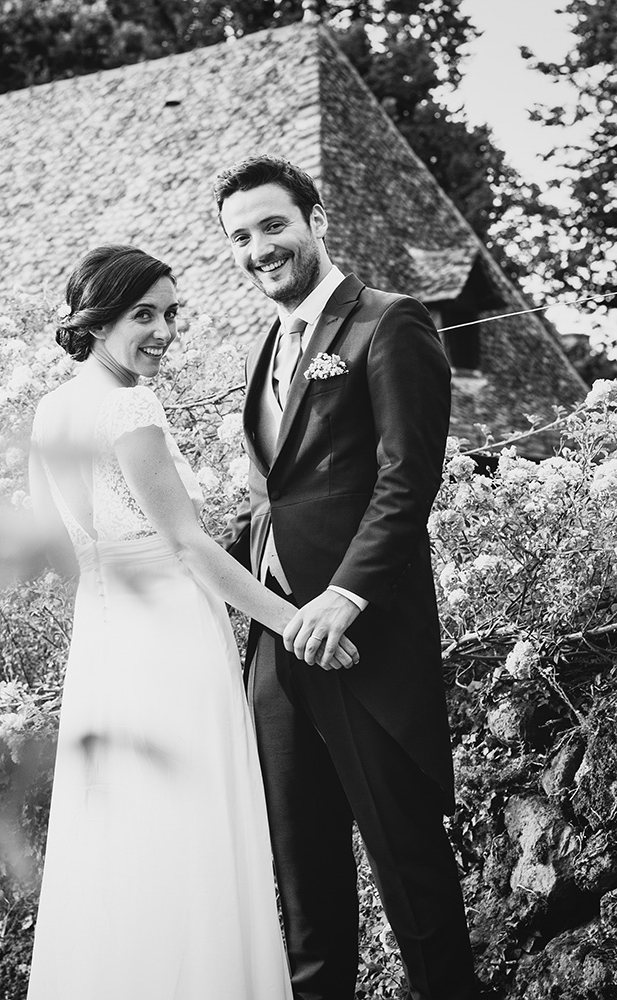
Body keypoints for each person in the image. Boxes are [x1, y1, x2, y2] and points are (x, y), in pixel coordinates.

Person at [26, 244, 357, 1000]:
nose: (164, 330)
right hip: (173, 639)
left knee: (126, 840)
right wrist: (295, 620)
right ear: (97, 318)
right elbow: (185, 540)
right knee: (194, 832)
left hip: (107, 639)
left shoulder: (50, 410)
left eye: (172, 313)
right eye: (143, 314)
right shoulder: (128, 405)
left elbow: (53, 547)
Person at [214, 154, 479, 1000]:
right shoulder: (267, 346)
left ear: (317, 218)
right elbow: (277, 496)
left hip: (363, 642)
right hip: (277, 649)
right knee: (304, 890)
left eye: (273, 224)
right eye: (241, 236)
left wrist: (346, 594)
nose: (259, 247)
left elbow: (408, 477)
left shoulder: (389, 323)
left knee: (413, 882)